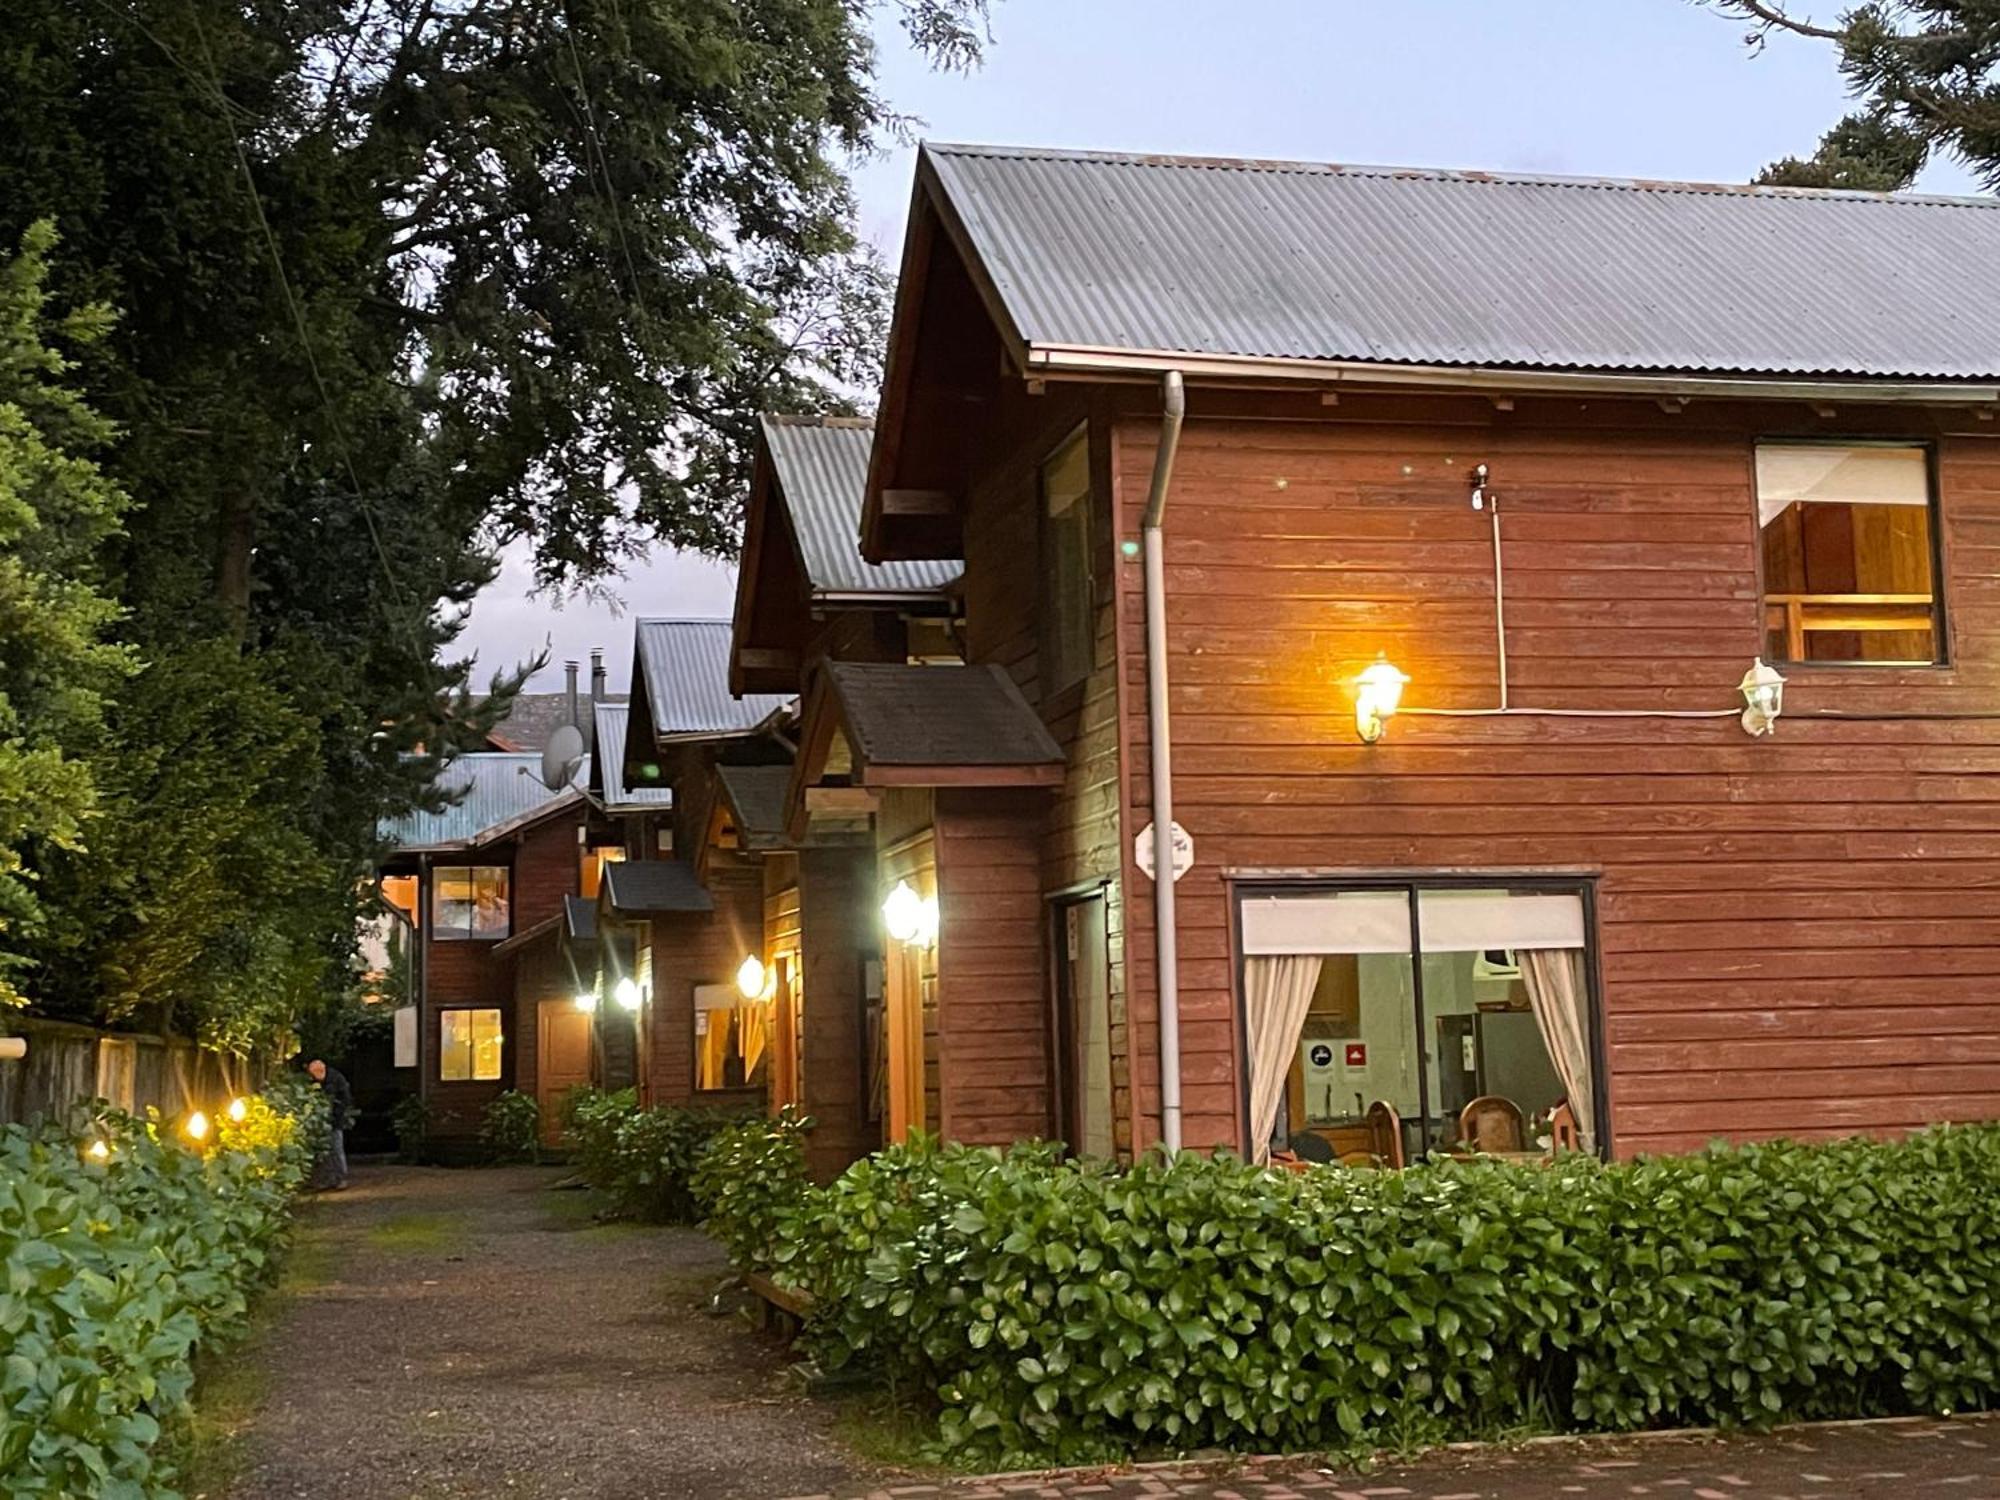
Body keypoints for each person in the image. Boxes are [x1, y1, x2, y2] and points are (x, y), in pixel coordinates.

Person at [306, 1058, 353, 1190]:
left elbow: (345, 1099)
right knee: (324, 1152)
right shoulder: (315, 1081)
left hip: (335, 1120)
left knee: (336, 1149)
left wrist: (336, 1113)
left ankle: (340, 1177)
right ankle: (328, 1179)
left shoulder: (336, 1079)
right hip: (321, 1122)